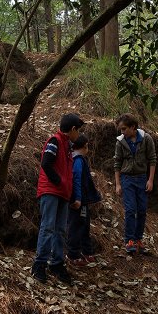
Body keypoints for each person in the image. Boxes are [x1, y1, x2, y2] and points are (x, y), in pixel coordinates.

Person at [31, 113, 85, 284]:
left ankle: (57, 263)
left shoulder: (67, 147)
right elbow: (46, 163)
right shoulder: (55, 141)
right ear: (73, 129)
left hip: (63, 194)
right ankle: (39, 264)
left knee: (61, 229)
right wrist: (58, 182)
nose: (79, 135)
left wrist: (71, 195)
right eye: (78, 131)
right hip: (51, 192)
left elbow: (68, 174)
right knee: (47, 227)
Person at [113, 113, 157, 254]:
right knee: (131, 209)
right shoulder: (120, 142)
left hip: (142, 178)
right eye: (121, 129)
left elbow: (152, 160)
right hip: (127, 179)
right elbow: (117, 163)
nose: (122, 132)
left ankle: (138, 239)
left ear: (133, 127)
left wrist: (150, 180)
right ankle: (129, 240)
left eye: (124, 129)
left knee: (142, 210)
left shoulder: (146, 139)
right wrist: (118, 184)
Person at [66, 134, 102, 266]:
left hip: (83, 201)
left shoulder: (78, 160)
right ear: (85, 146)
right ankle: (73, 254)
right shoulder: (78, 161)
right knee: (76, 226)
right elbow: (77, 180)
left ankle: (87, 252)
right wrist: (78, 198)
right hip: (78, 202)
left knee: (84, 226)